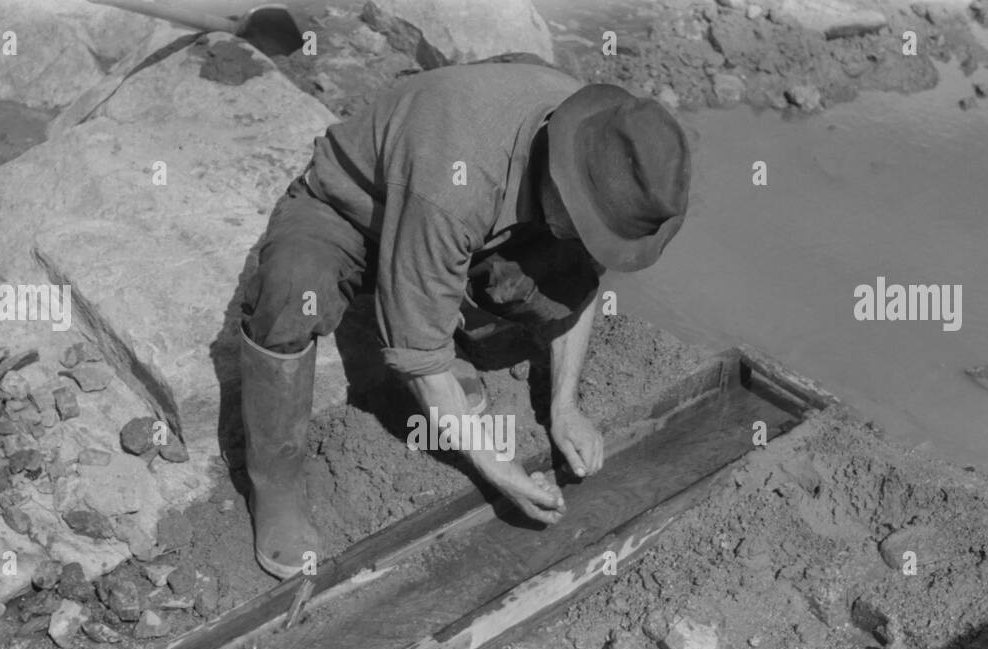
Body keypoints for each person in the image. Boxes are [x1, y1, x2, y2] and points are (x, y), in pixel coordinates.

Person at [239, 62, 692, 578]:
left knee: (554, 271)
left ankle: (437, 299)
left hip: (452, 223)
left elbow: (584, 275)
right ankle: (274, 482)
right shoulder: (457, 182)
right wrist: (500, 468)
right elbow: (420, 359)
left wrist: (565, 407)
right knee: (293, 292)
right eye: (586, 225)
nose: (588, 238)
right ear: (560, 180)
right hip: (354, 212)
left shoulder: (596, 135)